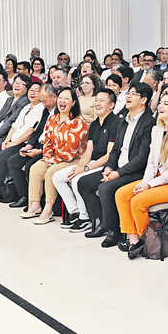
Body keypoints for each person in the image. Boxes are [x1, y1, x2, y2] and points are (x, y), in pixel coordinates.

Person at [115, 90, 168, 259]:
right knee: (121, 194)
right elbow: (151, 161)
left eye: (166, 103)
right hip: (158, 179)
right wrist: (145, 181)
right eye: (160, 103)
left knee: (138, 201)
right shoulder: (157, 130)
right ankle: (134, 239)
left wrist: (149, 185)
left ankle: (146, 239)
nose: (160, 106)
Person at [78, 82, 156, 246]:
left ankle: (114, 230)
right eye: (128, 93)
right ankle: (102, 222)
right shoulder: (123, 121)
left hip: (135, 172)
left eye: (133, 94)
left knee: (105, 188)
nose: (128, 96)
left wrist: (118, 173)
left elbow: (142, 158)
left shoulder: (149, 123)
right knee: (84, 183)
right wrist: (108, 168)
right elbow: (115, 151)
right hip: (117, 168)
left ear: (143, 100)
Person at [52, 89, 120, 231]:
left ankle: (85, 218)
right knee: (58, 177)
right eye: (96, 100)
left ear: (112, 105)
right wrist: (79, 167)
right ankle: (75, 212)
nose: (97, 103)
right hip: (92, 162)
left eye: (102, 100)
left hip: (106, 165)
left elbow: (109, 155)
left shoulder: (116, 123)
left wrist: (86, 169)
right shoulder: (94, 124)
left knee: (78, 180)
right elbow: (88, 151)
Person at [22, 87, 88, 224]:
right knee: (35, 169)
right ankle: (35, 204)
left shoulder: (78, 122)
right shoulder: (53, 118)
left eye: (67, 98)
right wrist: (47, 157)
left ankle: (48, 208)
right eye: (61, 97)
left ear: (74, 102)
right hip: (55, 157)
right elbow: (47, 142)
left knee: (50, 172)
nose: (63, 101)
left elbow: (71, 150)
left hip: (74, 159)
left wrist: (54, 160)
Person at [0, 81, 44, 203]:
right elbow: (14, 126)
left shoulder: (41, 109)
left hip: (22, 143)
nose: (33, 93)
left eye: (36, 90)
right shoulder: (26, 107)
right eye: (31, 90)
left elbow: (31, 131)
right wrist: (6, 140)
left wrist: (13, 143)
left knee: (1, 158)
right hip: (12, 140)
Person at [6, 84, 58, 208]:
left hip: (48, 148)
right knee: (13, 161)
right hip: (38, 144)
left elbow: (55, 139)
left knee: (31, 166)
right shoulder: (46, 110)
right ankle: (25, 196)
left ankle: (39, 201)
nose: (44, 104)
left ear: (54, 97)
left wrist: (39, 151)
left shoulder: (59, 112)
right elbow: (38, 129)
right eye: (42, 101)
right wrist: (29, 146)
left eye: (45, 101)